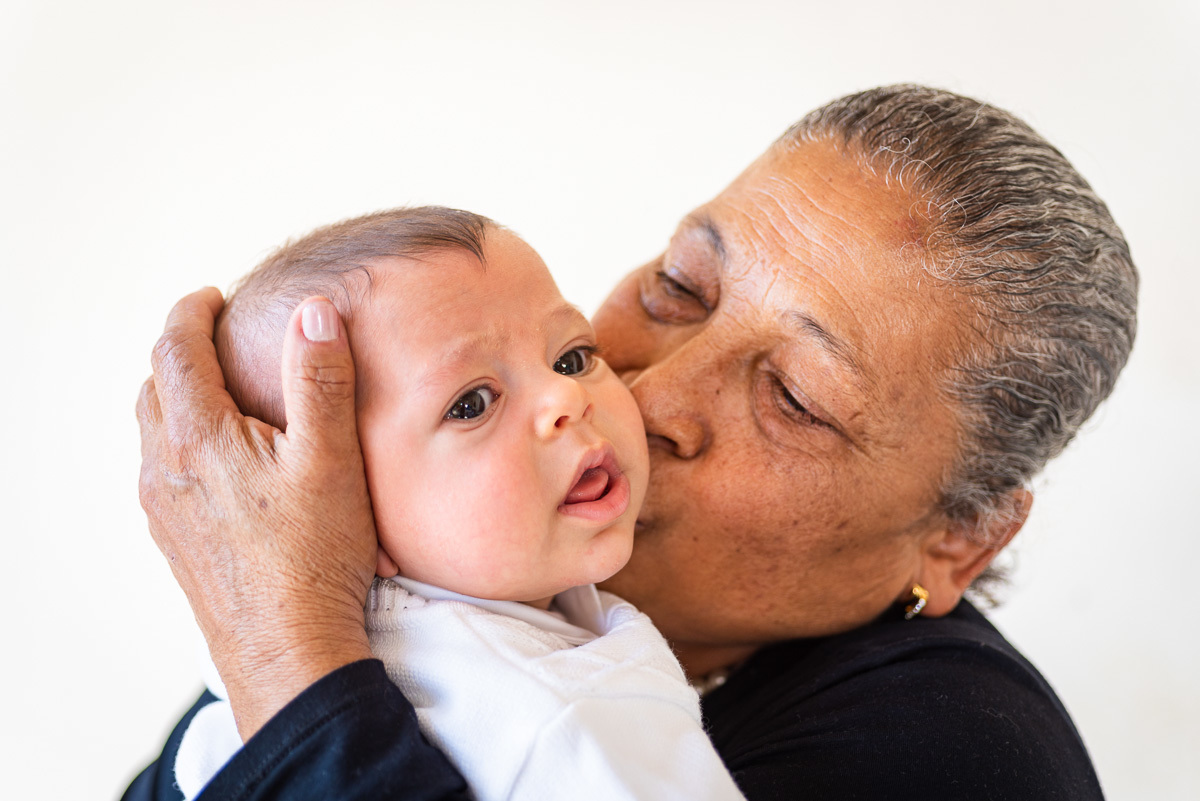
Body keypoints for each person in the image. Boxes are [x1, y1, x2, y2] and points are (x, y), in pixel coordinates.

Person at [128, 85, 1136, 800]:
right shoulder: (454, 596)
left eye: (792, 396)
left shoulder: (954, 751)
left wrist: (285, 655)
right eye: (680, 289)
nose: (646, 394)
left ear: (957, 541)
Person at [164, 207, 746, 801]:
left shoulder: (247, 677)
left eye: (570, 358)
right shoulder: (575, 720)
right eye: (472, 404)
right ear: (339, 518)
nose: (565, 396)